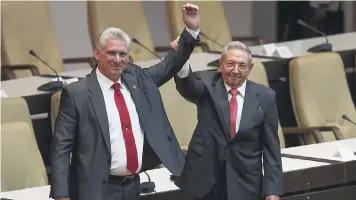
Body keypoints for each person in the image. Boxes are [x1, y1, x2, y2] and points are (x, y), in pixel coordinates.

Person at [50, 3, 200, 200]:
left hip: (132, 186)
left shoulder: (136, 78)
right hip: (95, 191)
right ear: (97, 54)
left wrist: (191, 30)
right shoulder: (77, 93)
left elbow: (168, 65)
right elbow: (61, 148)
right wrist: (61, 195)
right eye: (111, 53)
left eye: (123, 54)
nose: (118, 59)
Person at [170, 39, 283, 200]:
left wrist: (273, 190)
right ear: (221, 63)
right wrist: (182, 57)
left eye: (242, 65)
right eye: (230, 64)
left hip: (245, 181)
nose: (235, 70)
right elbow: (187, 86)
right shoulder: (208, 85)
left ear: (250, 68)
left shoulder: (265, 97)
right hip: (206, 180)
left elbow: (271, 147)